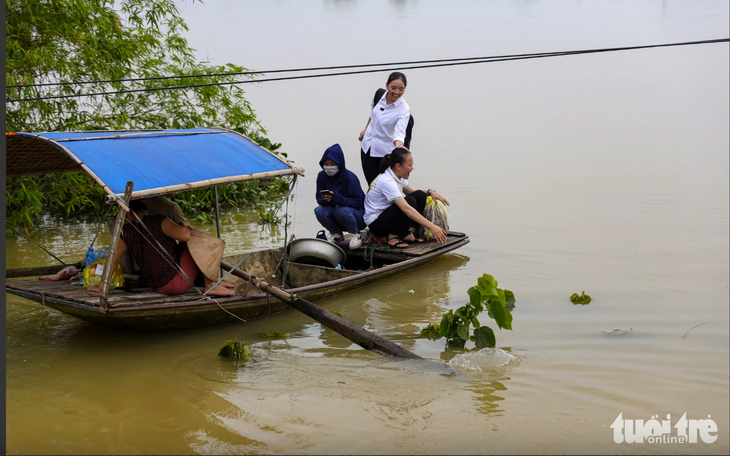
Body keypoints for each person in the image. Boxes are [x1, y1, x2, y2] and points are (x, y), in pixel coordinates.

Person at [87, 199, 234, 296]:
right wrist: (184, 225)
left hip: (156, 285)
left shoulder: (126, 232)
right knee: (200, 240)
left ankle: (212, 282)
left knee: (184, 245)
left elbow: (113, 259)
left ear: (128, 213)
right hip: (174, 284)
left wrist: (101, 286)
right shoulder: (158, 220)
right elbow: (186, 236)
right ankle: (210, 286)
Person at [364, 148, 449, 248]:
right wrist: (432, 226)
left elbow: (413, 193)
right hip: (376, 223)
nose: (412, 168)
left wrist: (431, 192)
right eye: (409, 165)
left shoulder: (398, 175)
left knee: (420, 195)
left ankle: (405, 234)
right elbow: (406, 208)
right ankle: (392, 238)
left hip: (387, 216)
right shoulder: (387, 181)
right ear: (398, 166)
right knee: (409, 202)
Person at [358, 71, 411, 185]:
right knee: (371, 186)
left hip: (384, 156)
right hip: (367, 148)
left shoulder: (404, 110)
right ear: (387, 85)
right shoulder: (378, 95)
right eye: (393, 88)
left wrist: (399, 145)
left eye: (401, 89)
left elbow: (399, 133)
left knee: (385, 187)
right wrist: (366, 129)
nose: (396, 92)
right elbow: (373, 114)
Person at [315, 143, 366, 249]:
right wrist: (325, 200)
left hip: (356, 216)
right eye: (326, 164)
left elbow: (359, 203)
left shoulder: (350, 178)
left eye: (332, 164)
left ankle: (355, 234)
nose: (329, 167)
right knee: (319, 210)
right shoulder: (321, 176)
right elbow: (318, 198)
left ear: (339, 164)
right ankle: (336, 234)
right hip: (337, 216)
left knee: (340, 209)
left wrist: (338, 199)